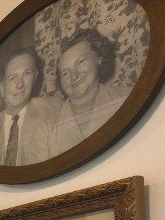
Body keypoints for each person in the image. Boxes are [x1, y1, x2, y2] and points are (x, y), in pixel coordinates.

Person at [46, 28, 130, 157]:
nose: (74, 76)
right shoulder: (49, 128)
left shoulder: (126, 99)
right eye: (65, 73)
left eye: (80, 62)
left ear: (99, 58)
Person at [0, 48, 58, 166]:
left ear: (35, 78)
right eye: (12, 77)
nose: (19, 84)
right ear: (2, 88)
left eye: (27, 73)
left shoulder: (53, 111)